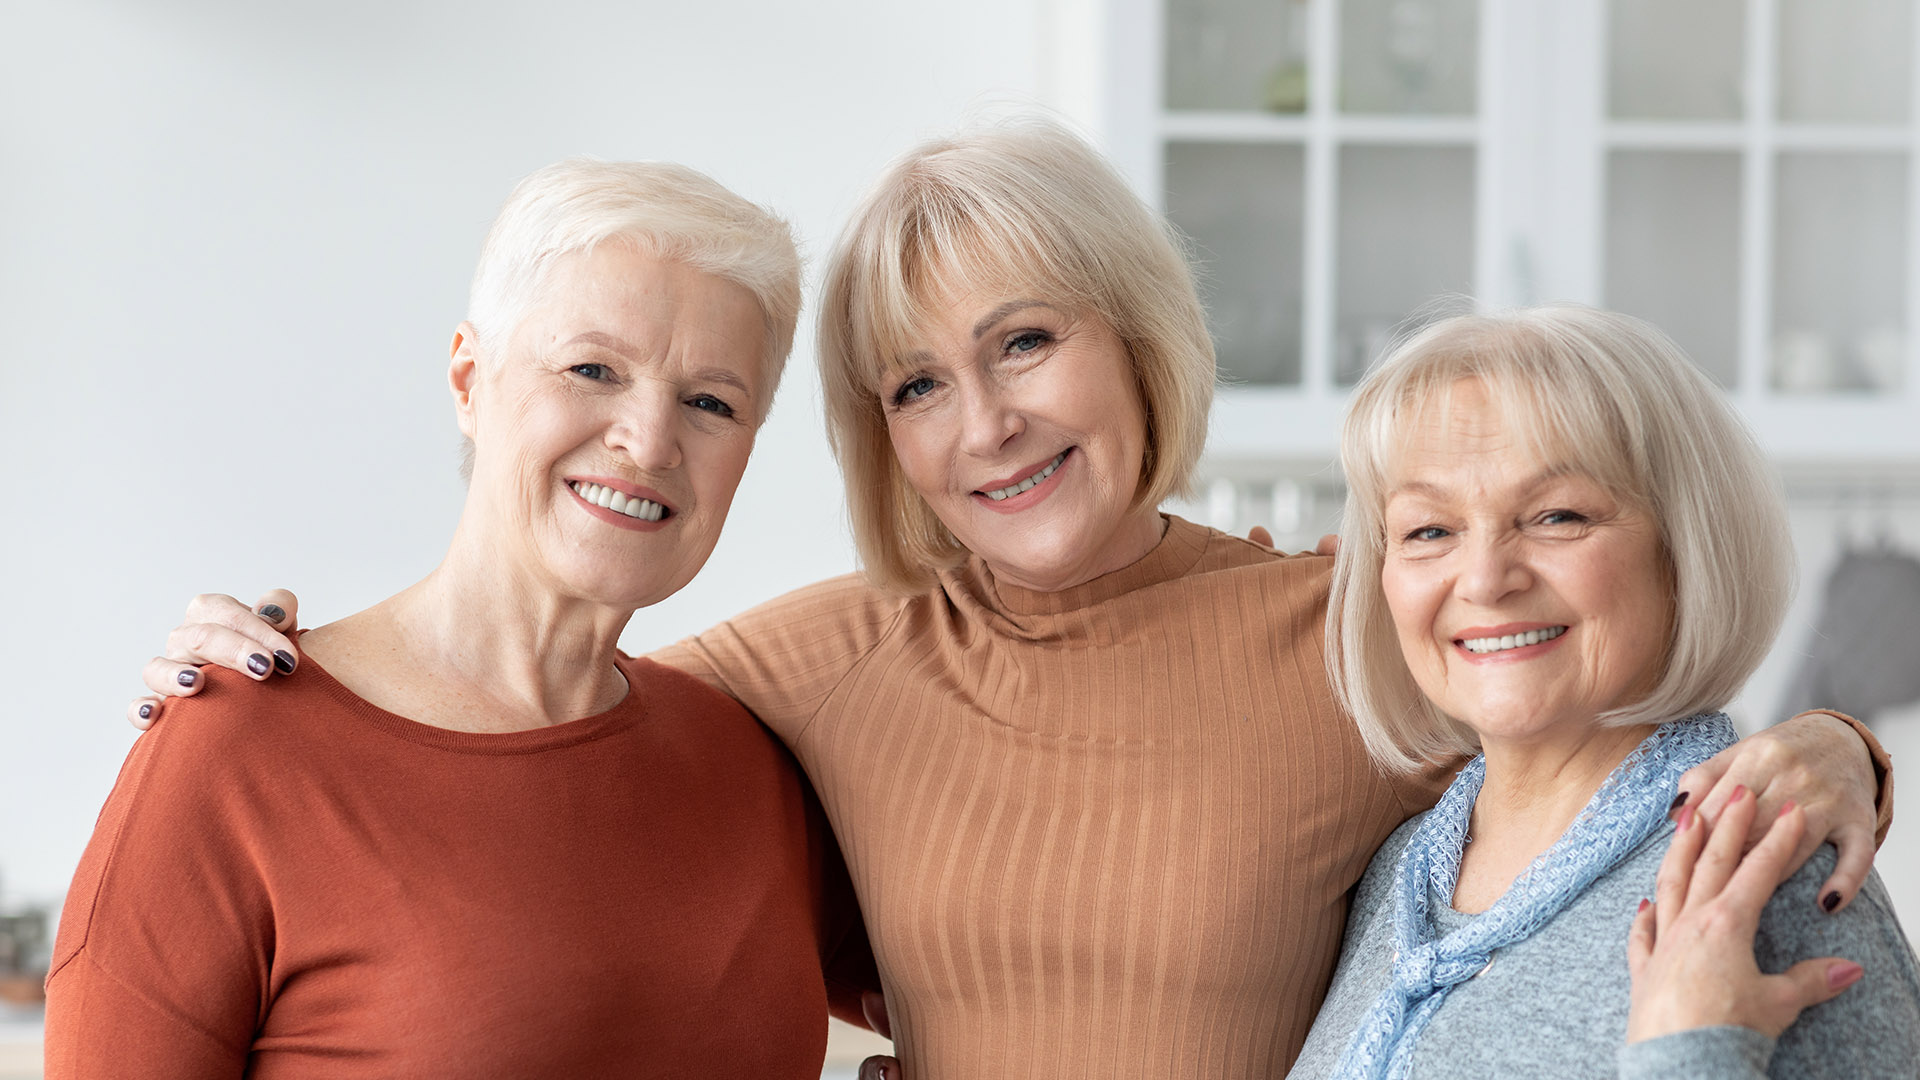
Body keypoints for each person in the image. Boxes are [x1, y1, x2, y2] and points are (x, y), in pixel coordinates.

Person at [128, 119, 1894, 1079]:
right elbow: (523, 716)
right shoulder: (806, 670)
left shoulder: (1356, 626)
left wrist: (1838, 751)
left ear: (1137, 337)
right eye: (912, 386)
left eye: (1025, 342)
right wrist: (270, 668)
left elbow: (1582, 668)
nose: (984, 426)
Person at [47, 159, 872, 1077]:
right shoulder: (236, 750)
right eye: (593, 368)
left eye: (710, 402)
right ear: (470, 381)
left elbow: (996, 983)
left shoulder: (751, 764)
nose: (649, 438)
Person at [1287, 306, 1920, 1078]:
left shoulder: (1757, 867)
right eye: (1429, 530)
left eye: (1558, 516)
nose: (1485, 579)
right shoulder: (1396, 872)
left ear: (1682, 551)